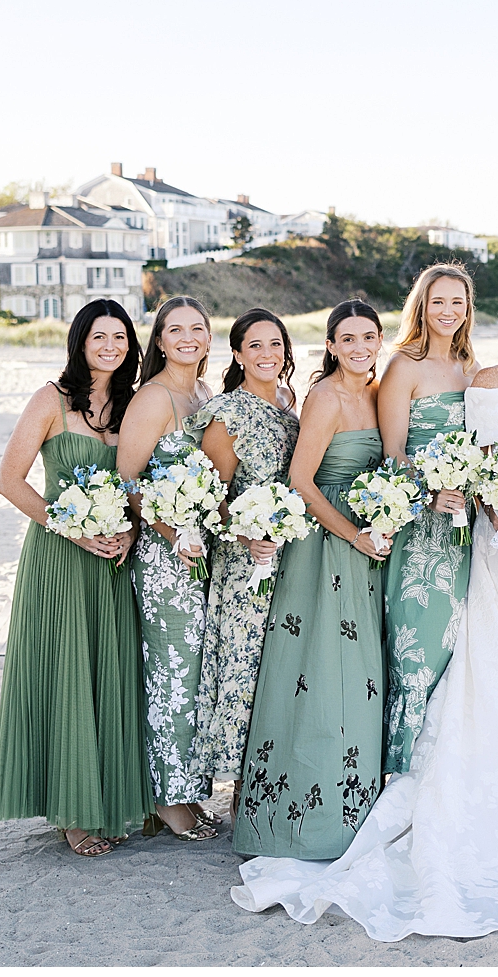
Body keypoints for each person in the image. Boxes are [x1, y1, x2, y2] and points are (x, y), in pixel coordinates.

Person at [232, 287, 498, 940]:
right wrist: (486, 504)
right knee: (453, 655)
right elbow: (402, 455)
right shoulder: (433, 374)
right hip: (456, 530)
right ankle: (401, 779)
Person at [0, 300, 154, 858]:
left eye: (120, 337)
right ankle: (73, 812)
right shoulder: (51, 401)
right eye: (98, 337)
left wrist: (130, 534)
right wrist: (75, 531)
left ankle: (109, 798)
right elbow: (10, 482)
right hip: (60, 559)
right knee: (66, 674)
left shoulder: (134, 406)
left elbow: (139, 488)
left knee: (111, 673)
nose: (110, 346)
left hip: (114, 561)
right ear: (80, 342)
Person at [235, 300, 389, 860]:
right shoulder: (325, 396)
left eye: (368, 337)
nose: (358, 347)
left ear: (379, 340)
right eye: (346, 339)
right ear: (330, 345)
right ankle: (307, 821)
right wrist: (353, 535)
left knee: (363, 673)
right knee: (321, 672)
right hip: (328, 545)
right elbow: (301, 480)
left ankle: (358, 810)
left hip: (372, 543)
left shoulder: (378, 393)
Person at [189, 309, 303, 814]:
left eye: (275, 344)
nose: (267, 354)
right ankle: (240, 793)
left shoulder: (289, 406)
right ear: (237, 354)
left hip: (294, 553)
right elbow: (210, 497)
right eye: (254, 346)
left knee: (281, 666)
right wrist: (250, 533)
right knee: (245, 667)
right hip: (244, 561)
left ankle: (274, 775)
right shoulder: (226, 414)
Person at [117, 295, 218, 842]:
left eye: (196, 328)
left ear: (208, 337)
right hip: (164, 557)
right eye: (174, 330)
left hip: (204, 551)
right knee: (172, 673)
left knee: (196, 673)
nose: (186, 337)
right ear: (158, 341)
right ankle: (167, 800)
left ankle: (190, 789)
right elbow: (129, 479)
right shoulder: (153, 398)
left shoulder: (204, 395)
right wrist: (172, 531)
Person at [376, 264, 478, 777]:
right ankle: (402, 768)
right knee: (417, 644)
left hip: (465, 528)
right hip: (419, 529)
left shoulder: (470, 367)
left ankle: (443, 767)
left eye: (457, 302)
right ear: (421, 305)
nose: (448, 311)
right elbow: (392, 454)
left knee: (457, 642)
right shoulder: (403, 366)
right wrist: (429, 488)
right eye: (438, 301)